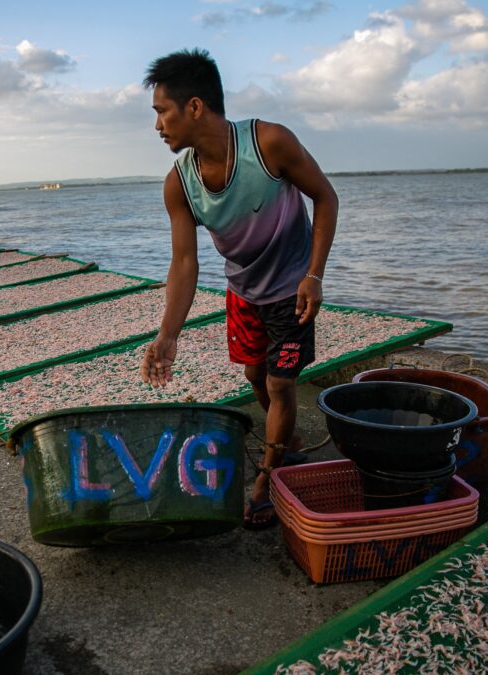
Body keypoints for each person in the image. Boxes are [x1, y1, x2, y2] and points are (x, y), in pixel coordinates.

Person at [139, 49, 339, 529]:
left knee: (280, 382)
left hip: (291, 293)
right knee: (254, 375)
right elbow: (184, 263)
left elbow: (325, 197)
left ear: (193, 107)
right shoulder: (179, 183)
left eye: (161, 111)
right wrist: (168, 335)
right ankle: (284, 440)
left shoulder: (268, 143)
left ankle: (268, 479)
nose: (157, 125)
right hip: (243, 294)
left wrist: (314, 274)